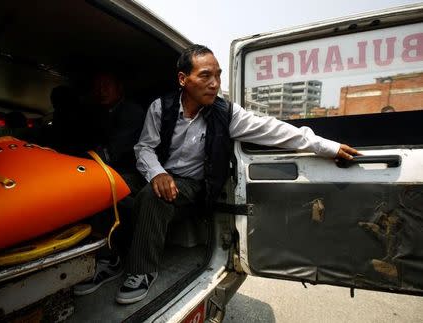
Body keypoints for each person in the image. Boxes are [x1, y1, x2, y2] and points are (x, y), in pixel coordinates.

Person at [85, 44, 358, 304]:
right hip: (158, 173)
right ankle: (108, 259)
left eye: (217, 76)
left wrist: (327, 147)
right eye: (205, 76)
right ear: (183, 79)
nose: (214, 83)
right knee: (107, 182)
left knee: (153, 197)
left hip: (192, 185)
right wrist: (157, 173)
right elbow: (144, 147)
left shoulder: (227, 114)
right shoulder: (160, 107)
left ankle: (141, 270)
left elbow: (274, 130)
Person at [72, 72, 147, 296]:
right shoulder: (99, 114)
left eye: (107, 84)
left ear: (120, 88)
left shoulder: (131, 112)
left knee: (101, 184)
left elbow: (110, 152)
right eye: (97, 85)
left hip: (134, 173)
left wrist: (77, 164)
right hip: (107, 169)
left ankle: (109, 260)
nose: (101, 90)